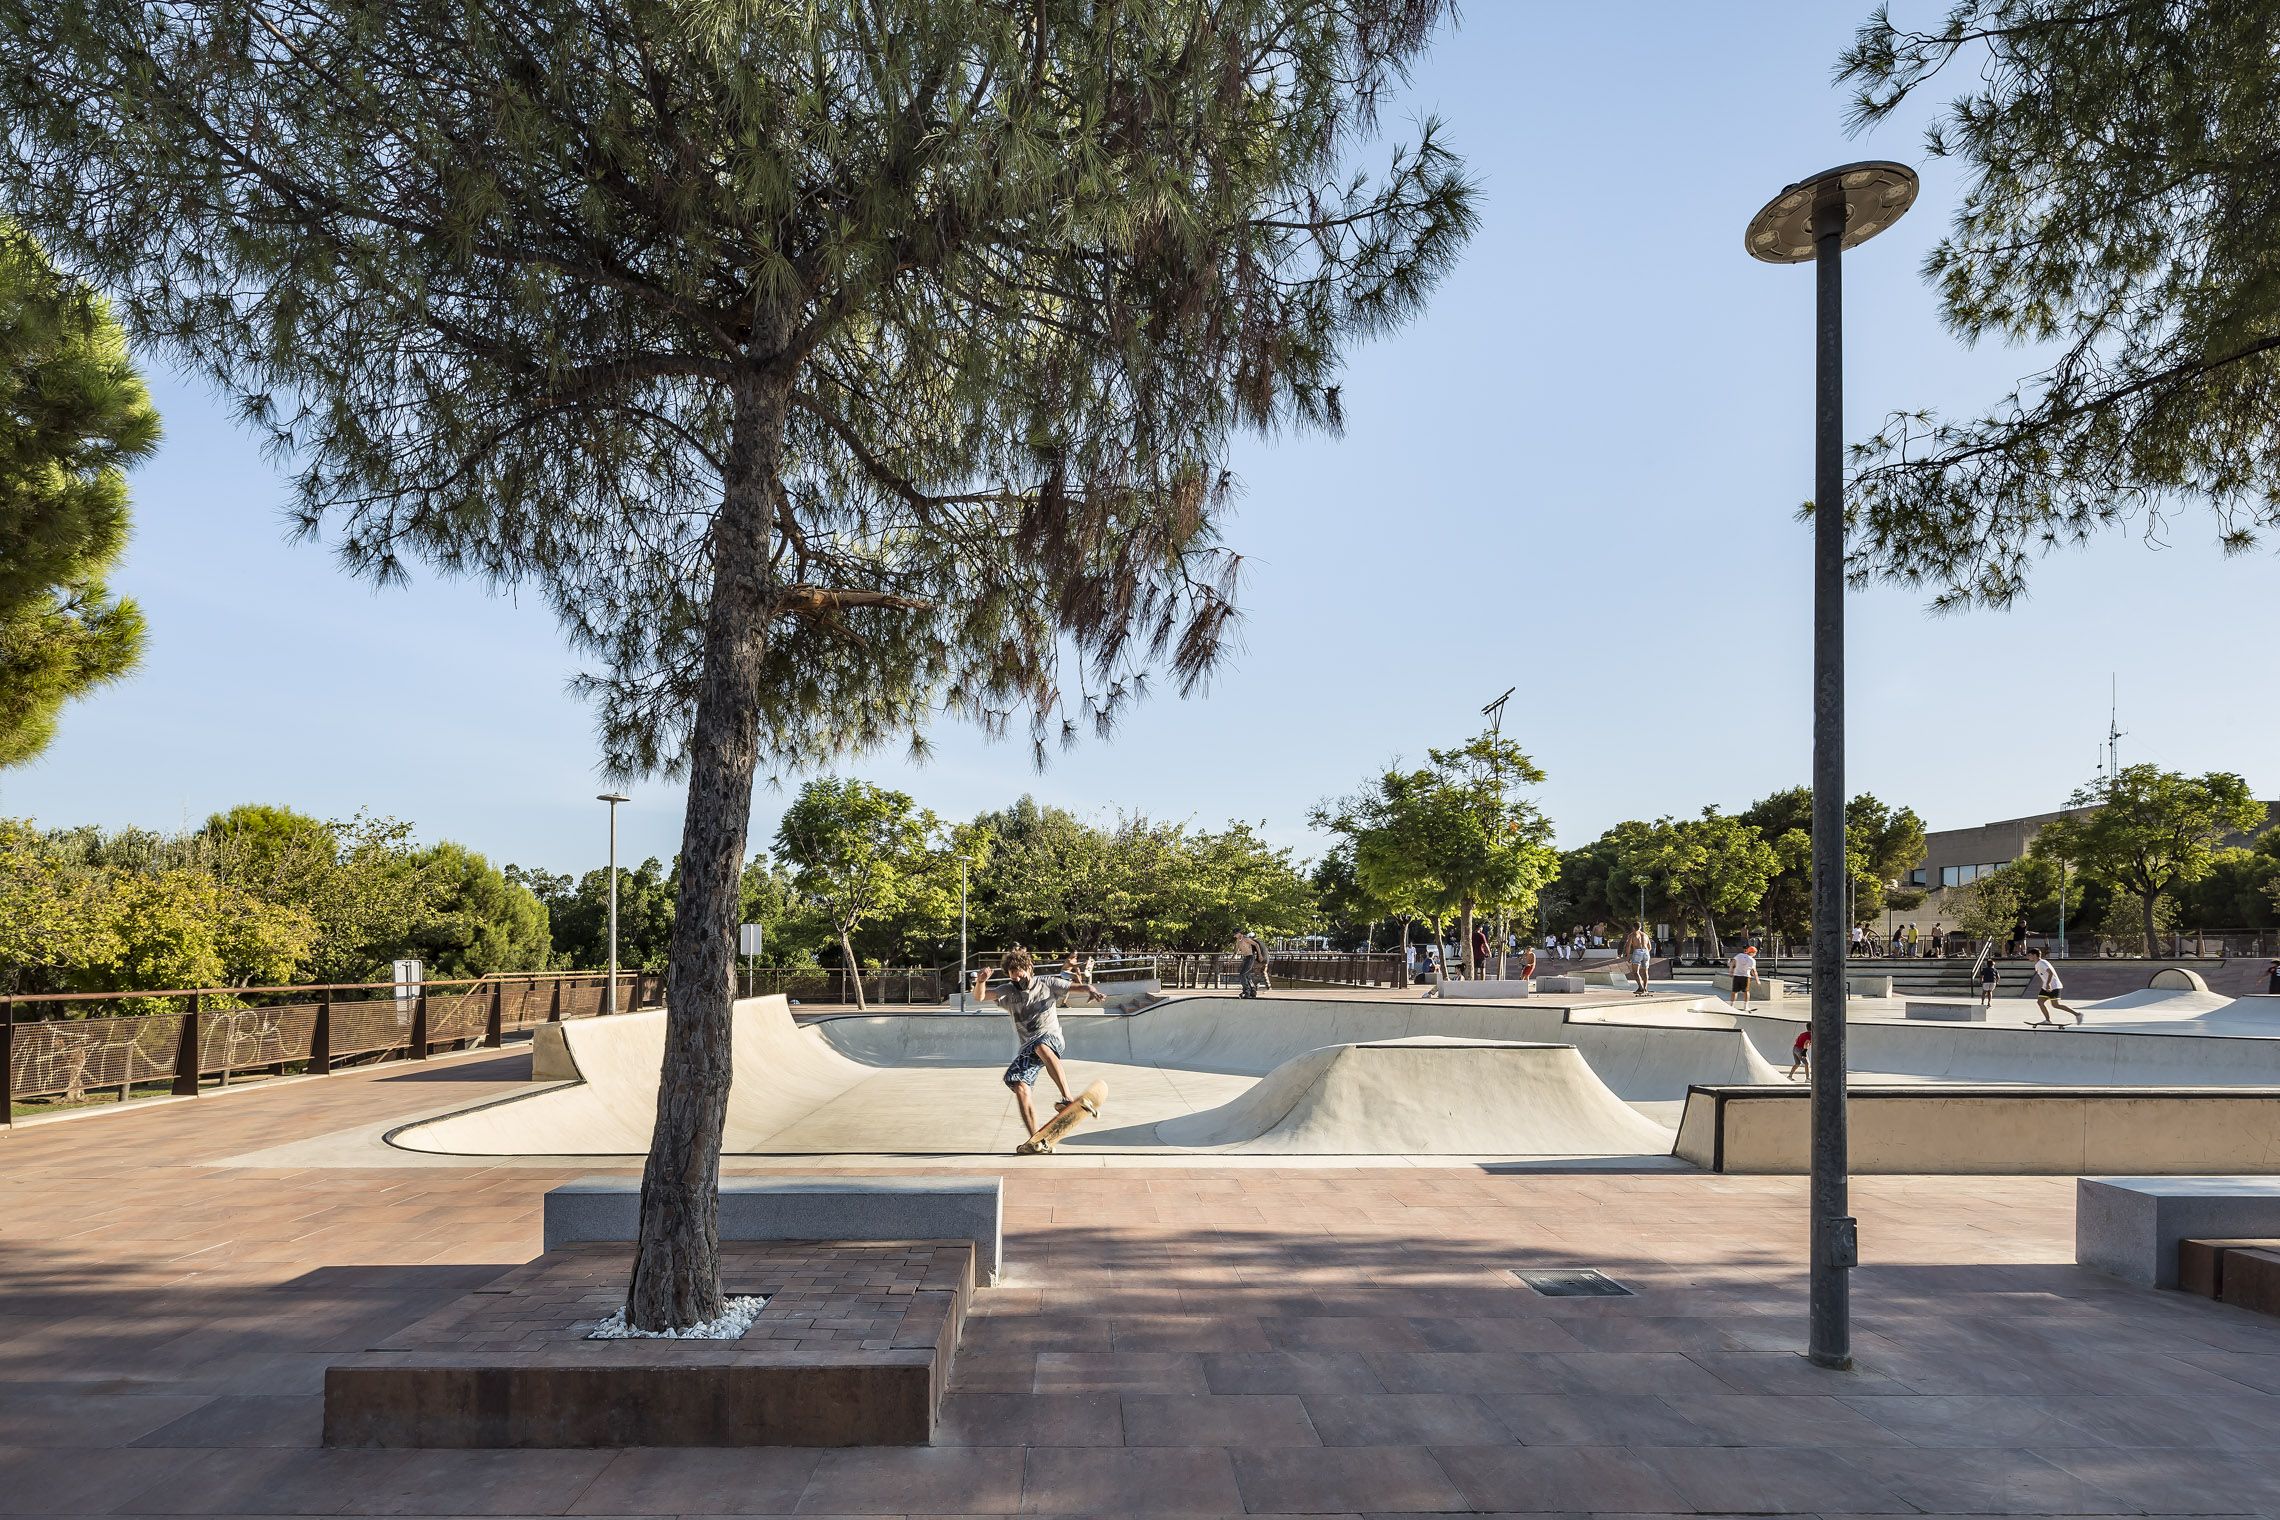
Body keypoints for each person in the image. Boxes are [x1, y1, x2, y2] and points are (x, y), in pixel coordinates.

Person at [973, 947, 1102, 1146]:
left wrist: (1091, 989)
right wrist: (980, 981)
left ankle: (1067, 1098)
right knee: (1019, 1085)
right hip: (1028, 1047)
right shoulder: (1007, 991)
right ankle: (1036, 1140)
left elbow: (1075, 988)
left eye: (1020, 976)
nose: (1018, 982)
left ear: (1029, 968)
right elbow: (980, 997)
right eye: (1013, 979)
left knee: (1040, 1046)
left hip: (1052, 1038)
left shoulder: (1047, 984)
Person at [2029, 947, 2084, 1027]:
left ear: (2035, 955)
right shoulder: (2038, 964)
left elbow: (2050, 973)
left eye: (2029, 955)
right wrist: (2044, 985)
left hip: (2054, 986)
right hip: (2046, 987)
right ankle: (2047, 1020)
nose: (2028, 957)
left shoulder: (2042, 963)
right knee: (2040, 1002)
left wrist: (2048, 984)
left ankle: (2078, 1014)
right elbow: (2043, 976)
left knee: (2055, 1005)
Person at [1232, 930, 1269, 998]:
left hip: (1250, 958)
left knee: (1242, 975)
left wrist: (1260, 955)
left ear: (1239, 933)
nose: (1235, 936)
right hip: (1246, 958)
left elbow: (1256, 944)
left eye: (1235, 934)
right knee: (1247, 975)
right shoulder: (1238, 941)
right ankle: (1253, 991)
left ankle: (1247, 991)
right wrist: (1232, 959)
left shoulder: (1246, 939)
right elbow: (1236, 950)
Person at [1729, 943, 1759, 1012]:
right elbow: (1754, 971)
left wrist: (1731, 971)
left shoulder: (1739, 955)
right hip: (1745, 977)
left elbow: (1732, 962)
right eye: (1755, 953)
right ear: (1752, 953)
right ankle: (1746, 1007)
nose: (1755, 955)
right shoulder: (1752, 960)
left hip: (1737, 976)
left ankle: (1731, 1006)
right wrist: (1757, 980)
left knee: (1734, 991)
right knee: (1746, 992)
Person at [1625, 924, 1652, 996]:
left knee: (1635, 971)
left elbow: (1628, 945)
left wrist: (1627, 955)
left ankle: (1641, 987)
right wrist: (1645, 953)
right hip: (1646, 952)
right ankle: (1645, 988)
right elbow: (1650, 947)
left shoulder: (1632, 935)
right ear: (1640, 927)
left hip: (1637, 951)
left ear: (1633, 927)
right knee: (1645, 971)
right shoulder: (1645, 935)